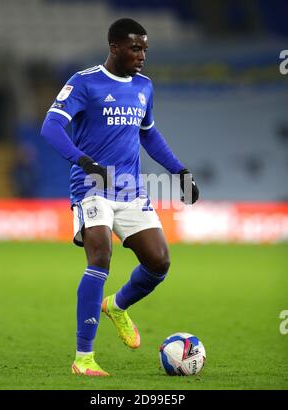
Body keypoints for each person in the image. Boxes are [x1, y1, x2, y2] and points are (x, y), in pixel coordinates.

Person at [41, 18, 199, 377]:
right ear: (114, 47)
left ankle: (117, 306)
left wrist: (179, 171)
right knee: (101, 255)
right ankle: (84, 358)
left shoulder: (144, 86)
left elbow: (149, 134)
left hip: (131, 191)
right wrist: (83, 160)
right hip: (91, 186)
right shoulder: (84, 82)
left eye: (144, 48)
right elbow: (50, 126)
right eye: (135, 48)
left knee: (159, 262)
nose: (142, 55)